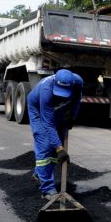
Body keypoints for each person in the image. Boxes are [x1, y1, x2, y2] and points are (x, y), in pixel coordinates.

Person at [27, 69, 83, 199]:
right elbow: (48, 124)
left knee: (56, 145)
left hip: (59, 108)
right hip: (37, 109)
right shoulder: (46, 91)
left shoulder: (78, 81)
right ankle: (47, 189)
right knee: (46, 144)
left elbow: (77, 98)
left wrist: (72, 117)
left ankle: (39, 173)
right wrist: (60, 149)